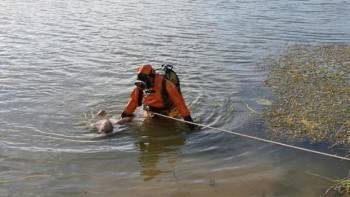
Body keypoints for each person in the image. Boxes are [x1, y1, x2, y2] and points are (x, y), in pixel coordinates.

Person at [120, 64, 196, 129]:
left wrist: (190, 123)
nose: (143, 86)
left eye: (146, 80)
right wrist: (125, 114)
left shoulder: (166, 84)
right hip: (151, 111)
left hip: (169, 112)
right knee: (149, 126)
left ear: (152, 77)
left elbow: (180, 104)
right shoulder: (141, 86)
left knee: (169, 127)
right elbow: (133, 101)